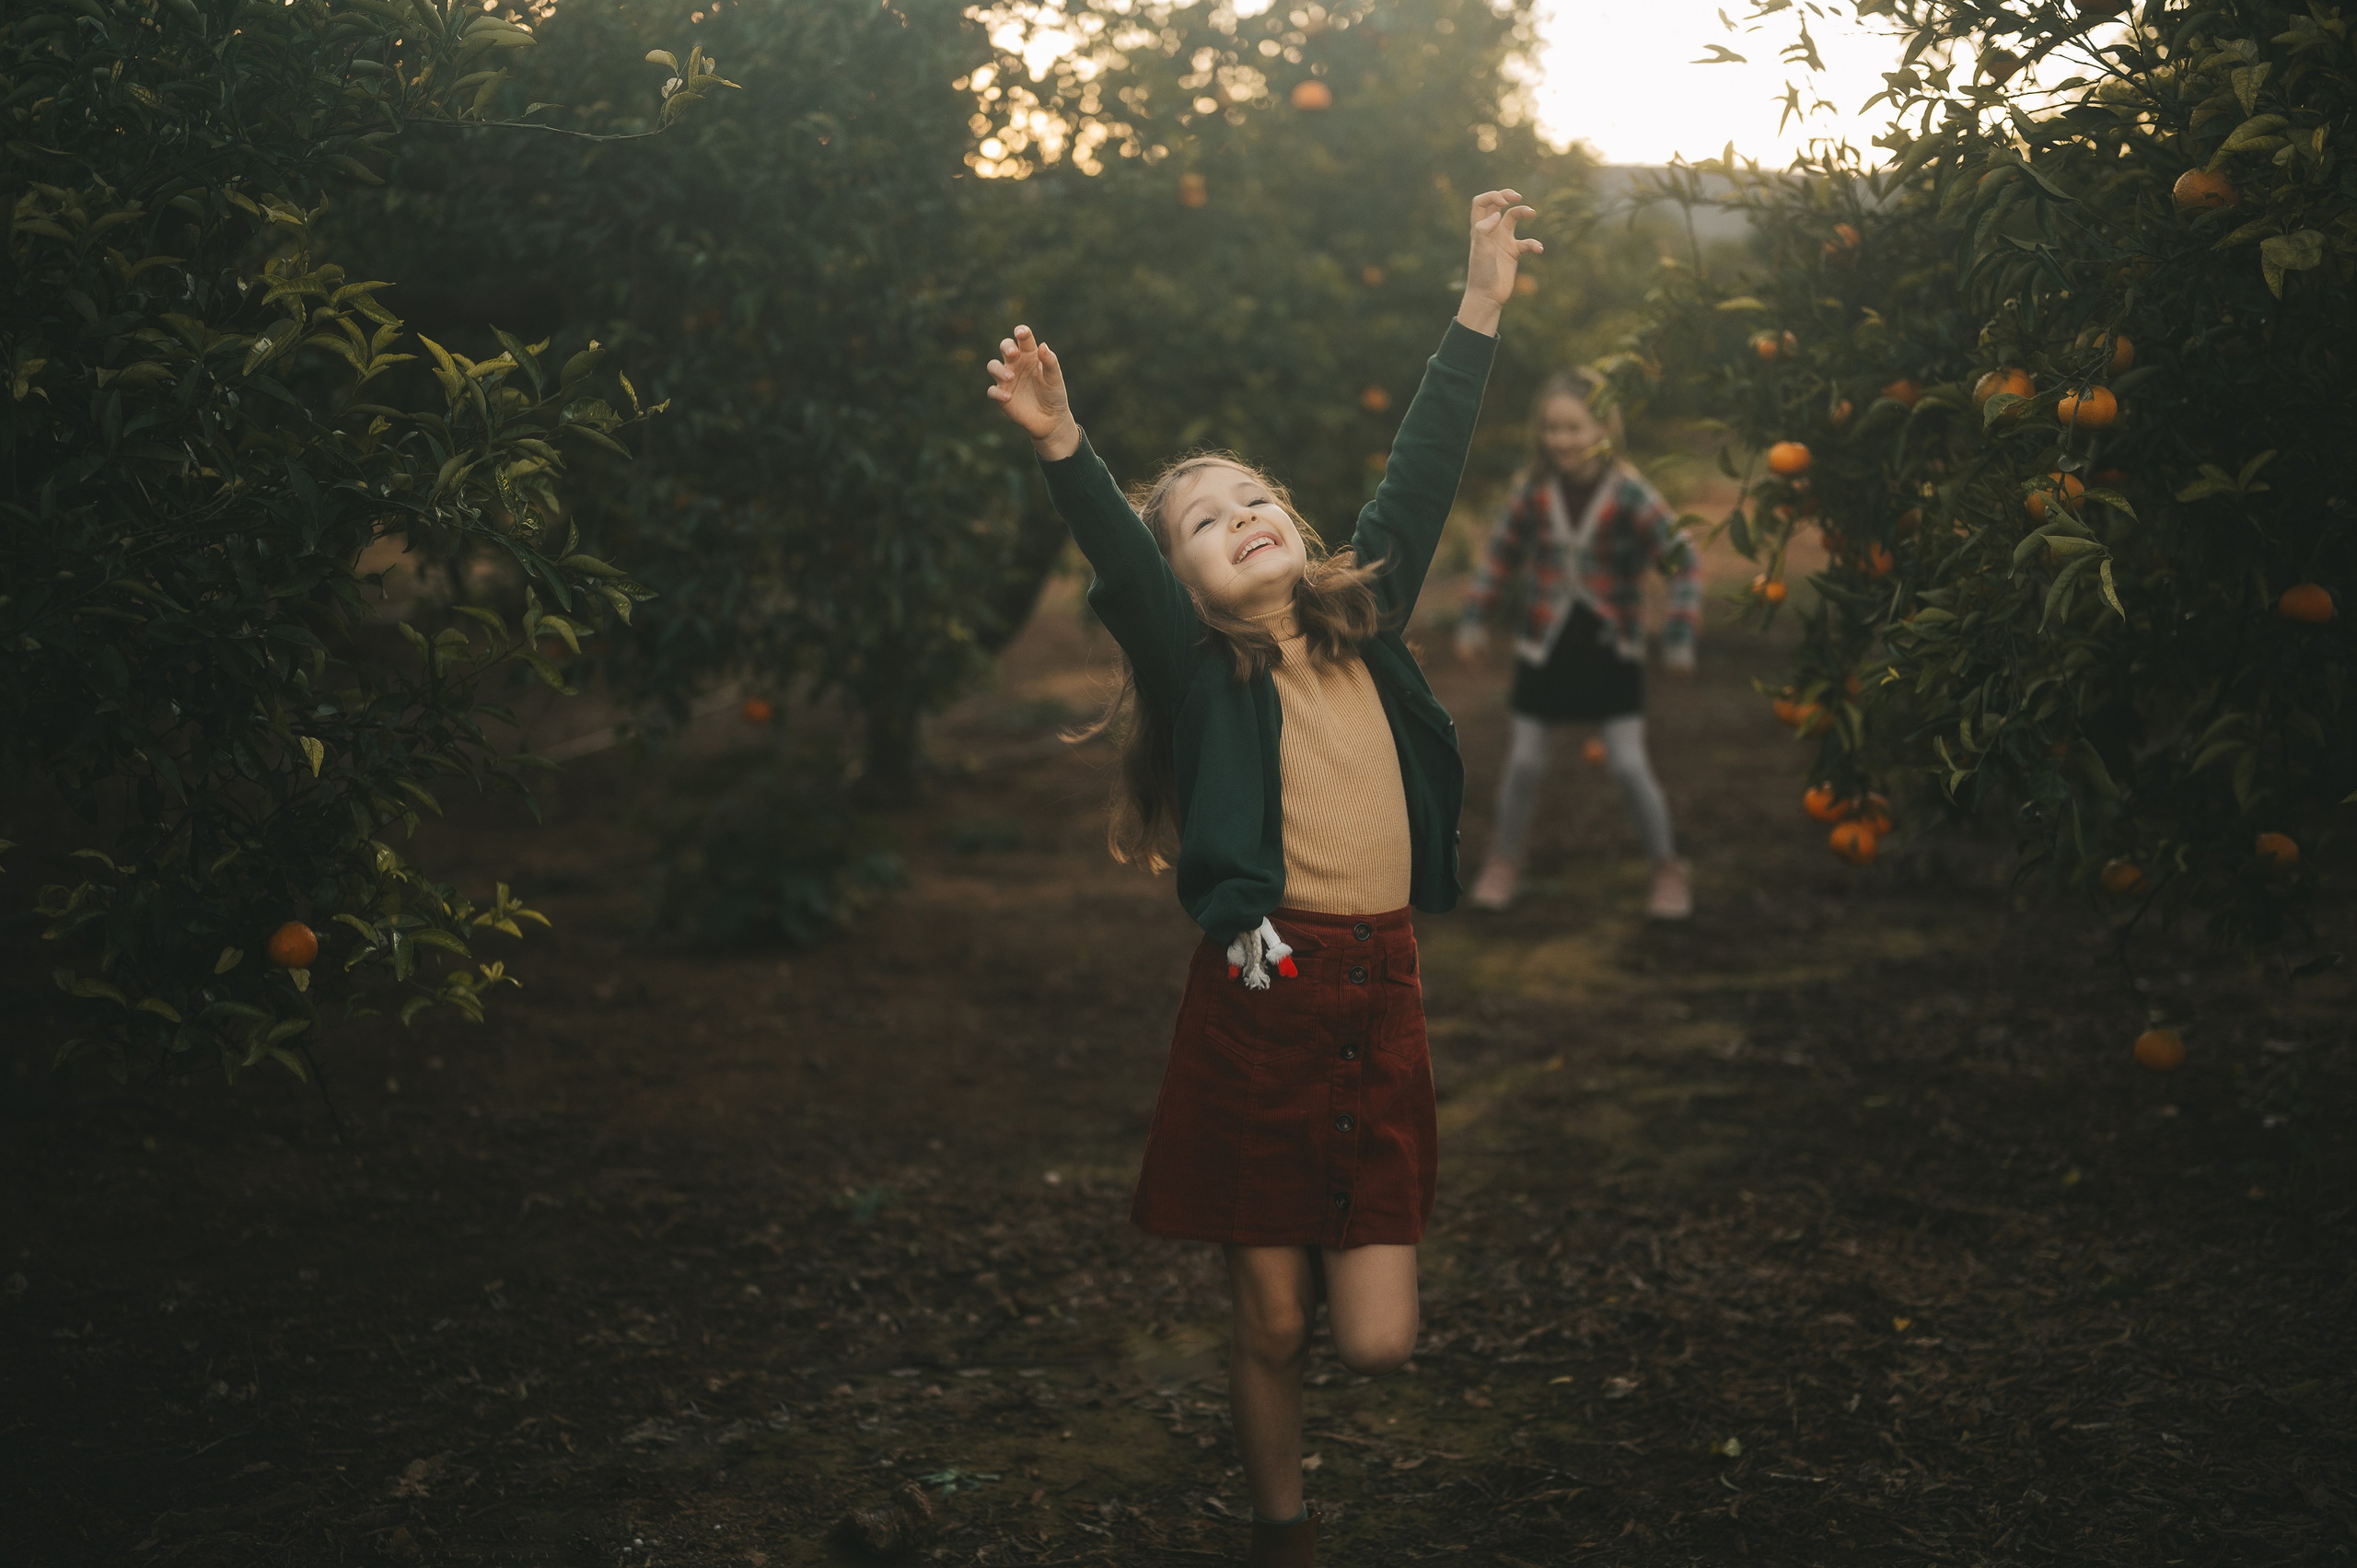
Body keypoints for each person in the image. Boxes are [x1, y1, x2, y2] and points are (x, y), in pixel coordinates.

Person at [984, 192, 1541, 1568]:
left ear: (1297, 526)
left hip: (1380, 989)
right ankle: (1281, 1524)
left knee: (1381, 1340)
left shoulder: (1367, 622)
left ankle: (1294, 1379)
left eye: (1255, 500)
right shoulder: (1201, 670)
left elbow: (1421, 467)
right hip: (1264, 991)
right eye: (1201, 524)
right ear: (1181, 582)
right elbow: (1118, 563)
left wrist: (1477, 309)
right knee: (1276, 1324)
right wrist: (1068, 447)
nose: (1238, 519)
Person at [1453, 369, 1701, 919]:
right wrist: (1474, 621)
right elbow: (1498, 558)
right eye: (1550, 428)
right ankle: (1505, 859)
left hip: (1610, 650)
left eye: (1572, 427)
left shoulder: (1631, 492)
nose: (1560, 439)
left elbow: (1683, 562)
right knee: (1523, 763)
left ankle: (1667, 867)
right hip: (1545, 646)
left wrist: (1679, 637)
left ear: (1603, 428)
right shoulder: (1533, 492)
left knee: (1629, 765)